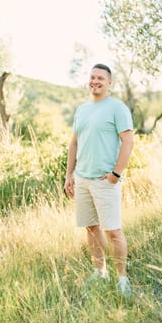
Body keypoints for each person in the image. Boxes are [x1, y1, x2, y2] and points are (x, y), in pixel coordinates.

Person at [64, 63, 133, 297]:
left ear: (109, 83)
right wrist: (69, 175)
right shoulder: (82, 109)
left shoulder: (117, 108)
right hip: (82, 179)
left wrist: (116, 174)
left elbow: (127, 141)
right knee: (91, 228)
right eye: (93, 77)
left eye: (101, 78)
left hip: (106, 181)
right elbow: (73, 144)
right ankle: (100, 271)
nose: (95, 81)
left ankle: (122, 279)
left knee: (113, 231)